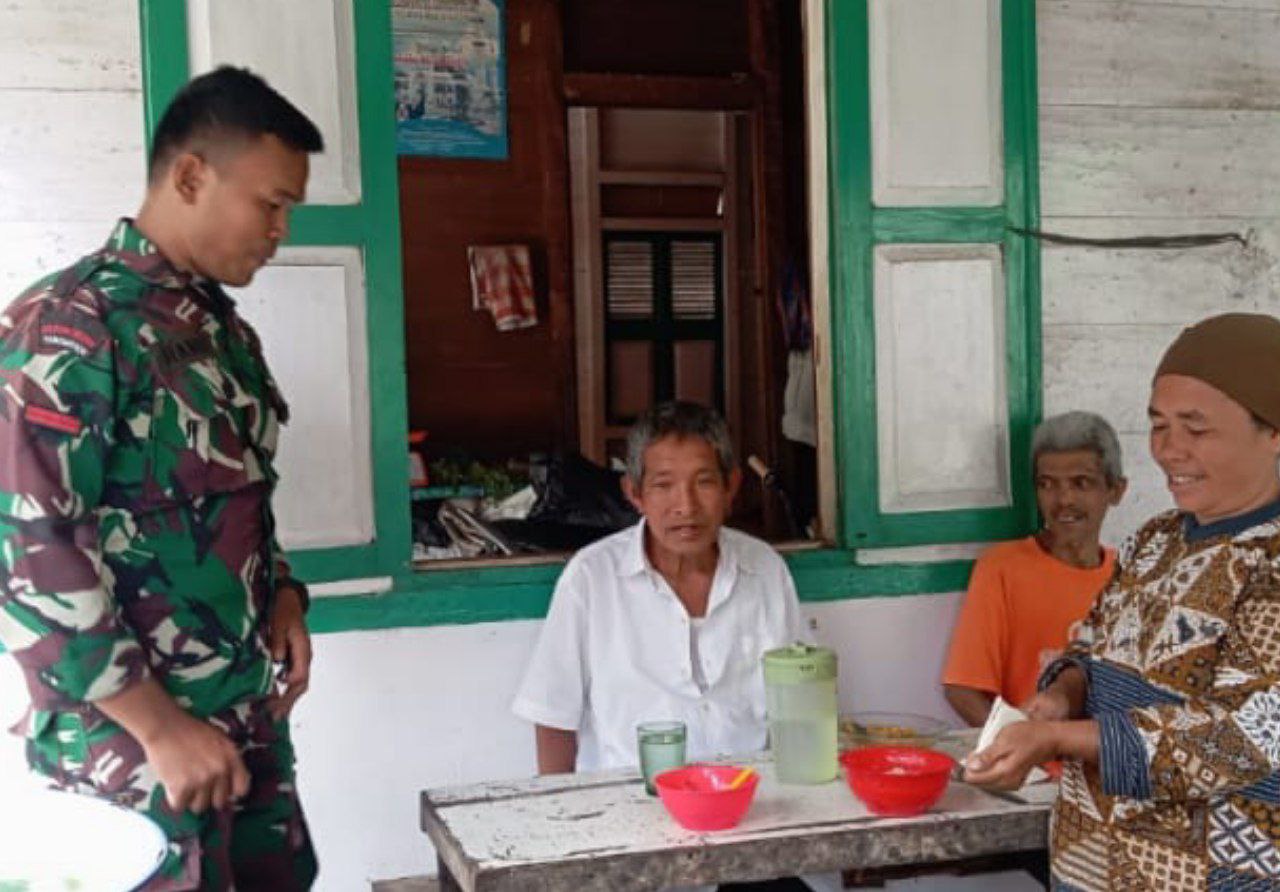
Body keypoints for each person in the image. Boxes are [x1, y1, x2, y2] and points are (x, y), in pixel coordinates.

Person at [0, 67, 322, 890]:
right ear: (190, 177)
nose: (281, 230)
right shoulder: (70, 328)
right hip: (136, 751)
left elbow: (235, 494)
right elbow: (26, 553)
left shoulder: (218, 332)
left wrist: (283, 594)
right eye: (271, 203)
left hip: (241, 720)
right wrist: (160, 728)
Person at [965, 312, 1280, 890]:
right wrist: (1063, 696)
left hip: (1209, 876)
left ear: (1274, 433)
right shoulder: (1157, 539)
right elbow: (1091, 645)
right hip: (1090, 867)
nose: (1168, 450)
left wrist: (1057, 740)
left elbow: (1241, 739)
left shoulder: (1271, 561)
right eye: (1158, 425)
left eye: (1196, 429)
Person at [512, 400, 806, 773]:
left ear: (730, 487)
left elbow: (803, 695)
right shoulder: (591, 578)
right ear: (635, 494)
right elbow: (553, 718)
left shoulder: (764, 569)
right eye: (663, 485)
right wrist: (558, 807)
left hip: (748, 792)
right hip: (631, 800)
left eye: (704, 482)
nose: (686, 506)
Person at [942, 411, 1127, 727]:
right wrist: (1017, 747)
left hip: (1112, 755)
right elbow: (963, 690)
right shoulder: (1003, 569)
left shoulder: (1131, 576)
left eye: (1081, 483)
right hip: (1034, 755)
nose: (1064, 499)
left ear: (1116, 490)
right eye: (1047, 484)